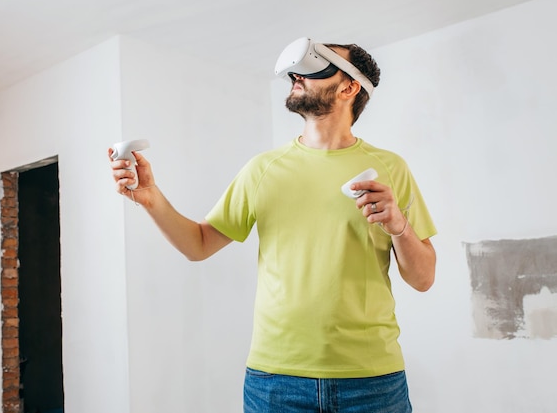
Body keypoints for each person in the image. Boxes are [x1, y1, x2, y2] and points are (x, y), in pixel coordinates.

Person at [109, 38, 437, 413]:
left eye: (316, 68)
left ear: (349, 87)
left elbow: (423, 278)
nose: (297, 75)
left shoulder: (391, 168)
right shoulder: (262, 169)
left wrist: (399, 226)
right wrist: (150, 196)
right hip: (275, 380)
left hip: (372, 380)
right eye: (296, 71)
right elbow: (198, 244)